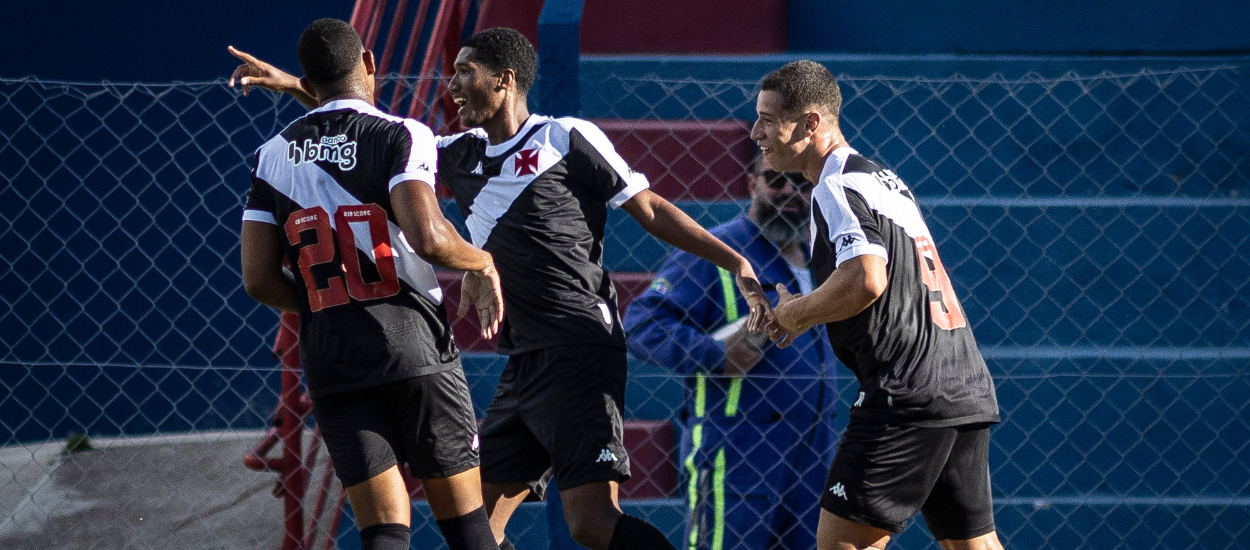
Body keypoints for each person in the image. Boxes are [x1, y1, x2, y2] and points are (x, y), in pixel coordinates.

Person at [229, 26, 770, 550]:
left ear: (504, 80)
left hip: (578, 346)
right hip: (522, 359)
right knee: (479, 528)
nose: (452, 85)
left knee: (591, 524)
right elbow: (364, 138)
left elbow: (649, 208)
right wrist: (305, 88)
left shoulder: (565, 137)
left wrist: (735, 260)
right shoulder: (455, 152)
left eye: (465, 72)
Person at [235, 19, 503, 550]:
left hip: (333, 357)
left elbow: (258, 280)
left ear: (309, 78)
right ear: (370, 63)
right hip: (414, 348)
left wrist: (324, 302)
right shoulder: (402, 134)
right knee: (469, 531)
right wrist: (483, 262)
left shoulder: (271, 155)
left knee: (383, 533)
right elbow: (429, 238)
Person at [754, 60, 1004, 550]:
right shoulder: (882, 179)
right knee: (973, 545)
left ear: (810, 123)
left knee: (841, 545)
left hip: (905, 395)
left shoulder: (835, 185)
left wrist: (794, 314)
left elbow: (866, 280)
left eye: (767, 119)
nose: (755, 133)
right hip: (962, 385)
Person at [623, 157, 839, 550]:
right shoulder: (717, 250)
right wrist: (714, 353)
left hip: (812, 457)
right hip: (738, 454)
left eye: (801, 183)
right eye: (776, 180)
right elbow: (642, 323)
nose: (790, 192)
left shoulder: (821, 260)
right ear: (752, 184)